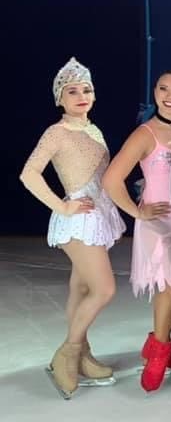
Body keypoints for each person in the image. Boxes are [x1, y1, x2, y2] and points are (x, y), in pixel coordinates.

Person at [20, 58, 125, 399]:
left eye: (87, 89)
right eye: (73, 91)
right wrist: (63, 205)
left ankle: (82, 354)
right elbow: (29, 173)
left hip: (98, 214)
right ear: (59, 99)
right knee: (104, 289)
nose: (82, 95)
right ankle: (67, 352)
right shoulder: (56, 132)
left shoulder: (93, 129)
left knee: (81, 289)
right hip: (78, 218)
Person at [103, 71, 171, 392]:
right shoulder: (144, 134)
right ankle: (158, 356)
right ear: (155, 92)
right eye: (164, 88)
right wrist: (137, 211)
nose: (170, 95)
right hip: (157, 222)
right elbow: (111, 180)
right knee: (169, 286)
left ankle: (160, 344)